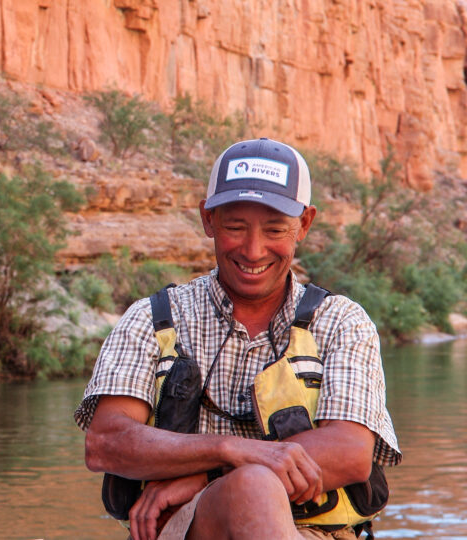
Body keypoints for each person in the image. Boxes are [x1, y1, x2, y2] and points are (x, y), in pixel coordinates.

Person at [74, 138, 401, 540]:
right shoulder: (152, 319)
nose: (253, 249)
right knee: (251, 488)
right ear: (208, 219)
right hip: (186, 530)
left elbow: (351, 453)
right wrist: (228, 450)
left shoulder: (342, 322)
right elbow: (105, 442)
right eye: (234, 227)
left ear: (305, 224)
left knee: (252, 486)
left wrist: (203, 476)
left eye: (275, 229)